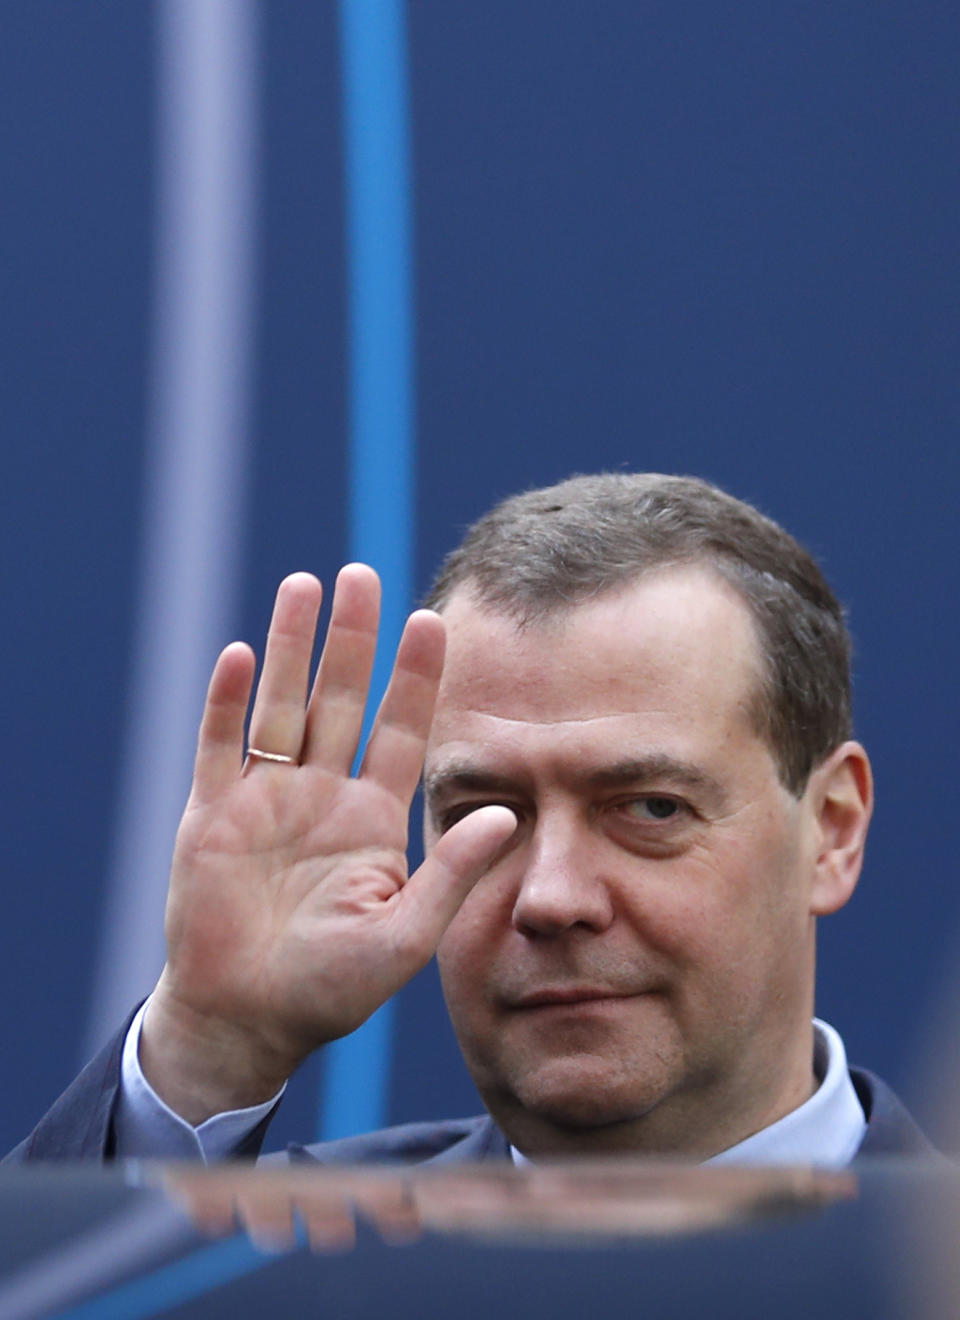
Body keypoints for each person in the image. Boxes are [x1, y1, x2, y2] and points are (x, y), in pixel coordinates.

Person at [7, 474, 933, 1166]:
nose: (551, 896)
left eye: (650, 808)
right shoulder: (270, 1263)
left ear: (834, 829)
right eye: (483, 812)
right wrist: (210, 1049)